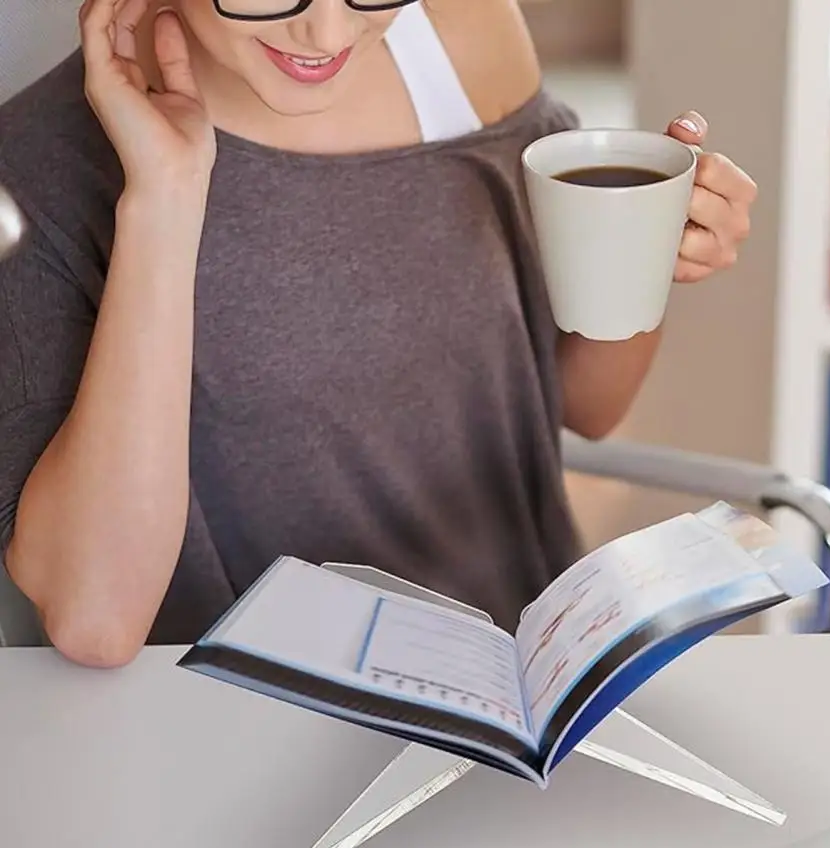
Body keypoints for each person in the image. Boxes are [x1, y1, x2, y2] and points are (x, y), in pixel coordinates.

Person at [0, 0, 757, 669]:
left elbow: (582, 402)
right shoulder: (38, 166)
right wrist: (163, 199)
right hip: (242, 746)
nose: (327, 29)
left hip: (525, 689)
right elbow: (96, 619)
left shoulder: (462, 43)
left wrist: (651, 247)